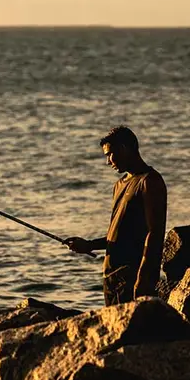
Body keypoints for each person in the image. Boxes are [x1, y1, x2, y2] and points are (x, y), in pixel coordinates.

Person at [65, 126, 168, 306]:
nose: (108, 161)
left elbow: (155, 233)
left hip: (132, 276)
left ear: (124, 148)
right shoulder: (119, 184)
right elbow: (121, 234)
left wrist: (143, 278)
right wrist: (89, 245)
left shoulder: (149, 181)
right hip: (111, 277)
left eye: (110, 154)